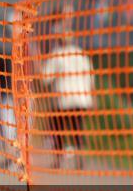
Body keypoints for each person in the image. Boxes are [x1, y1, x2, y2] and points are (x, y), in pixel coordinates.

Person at [39, 28, 95, 170]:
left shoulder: (57, 54)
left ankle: (58, 160)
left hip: (63, 99)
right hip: (82, 98)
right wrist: (93, 97)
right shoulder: (81, 54)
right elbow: (91, 77)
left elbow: (45, 78)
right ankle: (80, 158)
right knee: (77, 129)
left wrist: (38, 66)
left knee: (58, 129)